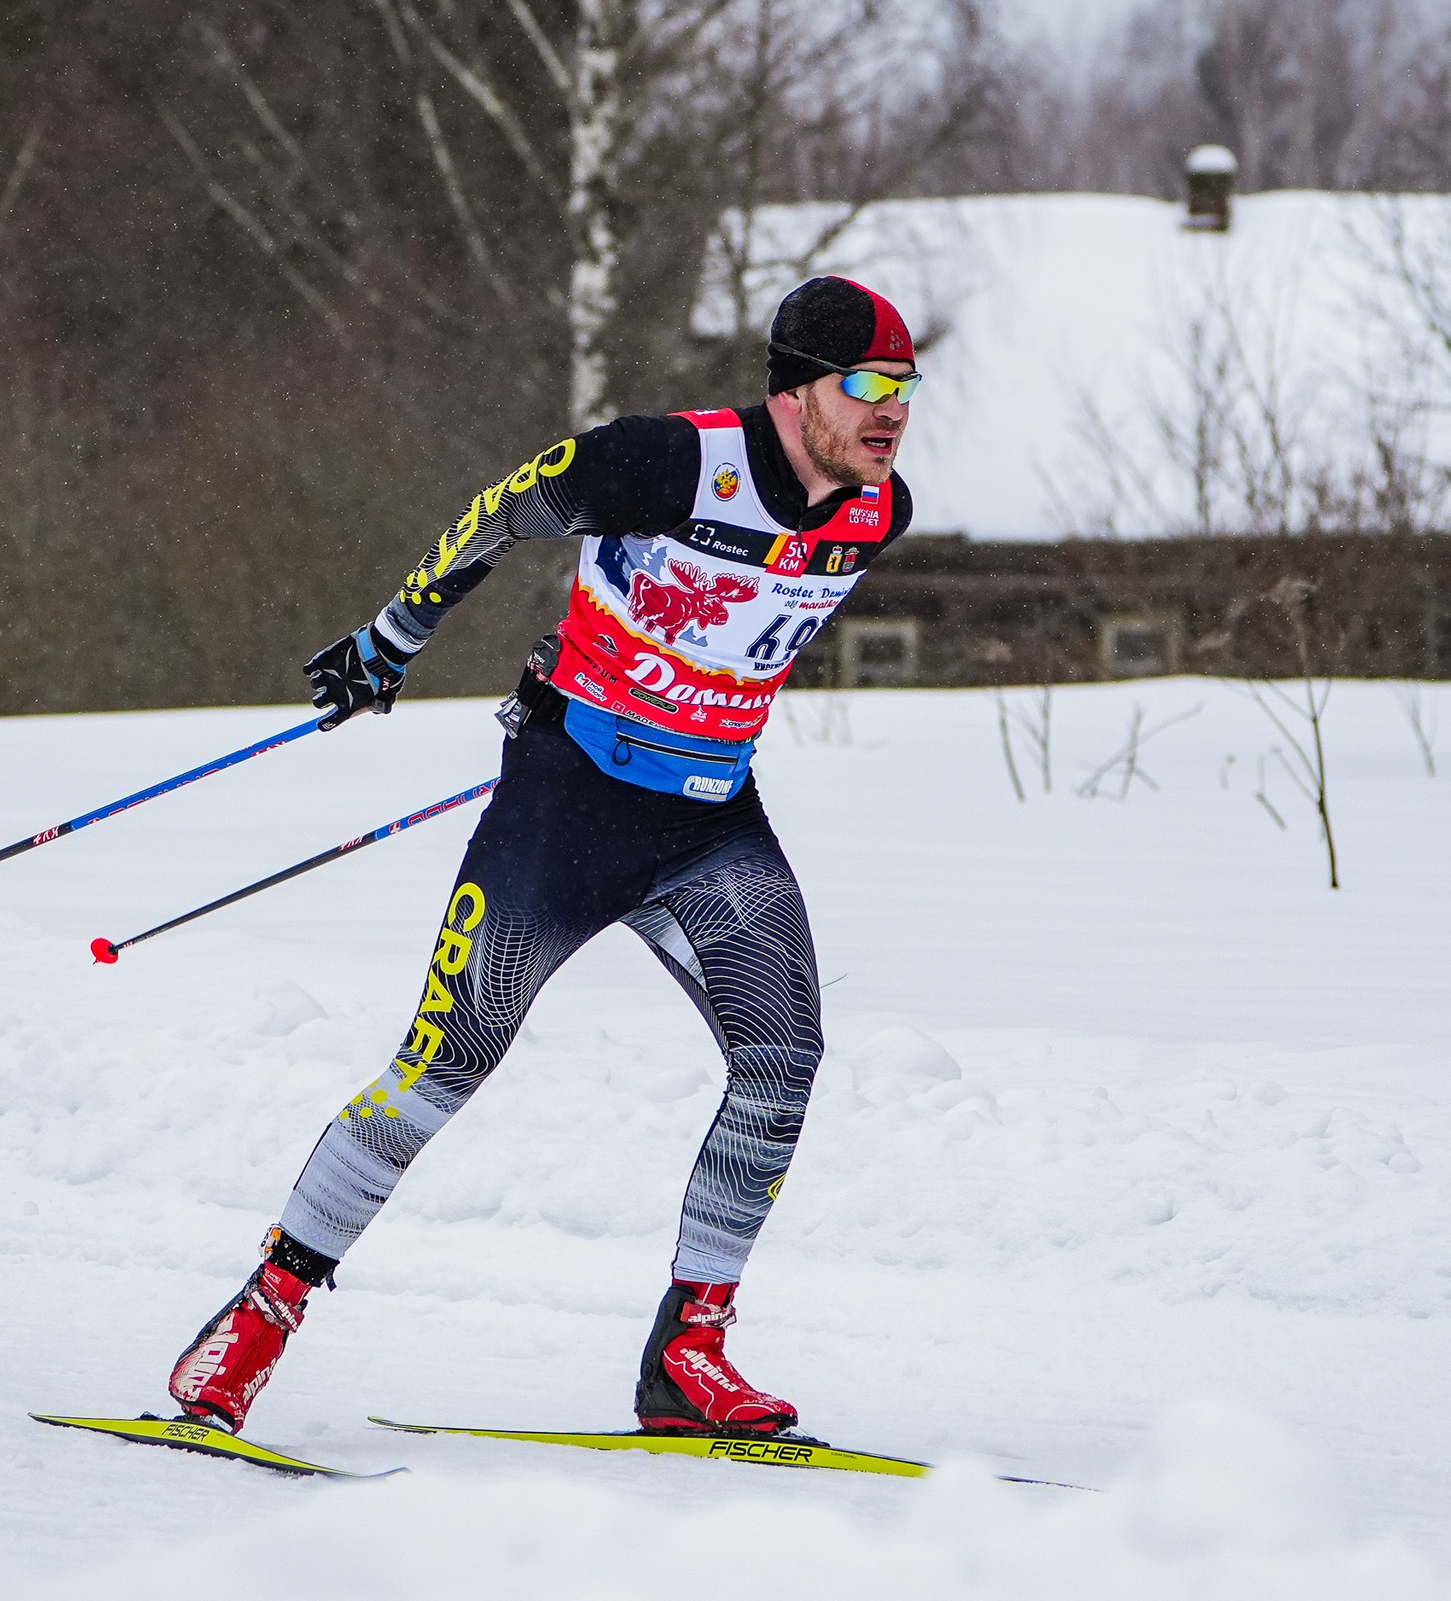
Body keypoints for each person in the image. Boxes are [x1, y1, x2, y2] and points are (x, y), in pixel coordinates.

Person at [165, 276, 922, 1438]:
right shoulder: (667, 461)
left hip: (708, 821)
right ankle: (262, 1315)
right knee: (446, 1062)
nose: (890, 410)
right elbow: (507, 507)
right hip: (568, 810)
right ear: (793, 390)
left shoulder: (879, 512)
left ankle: (688, 1356)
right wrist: (393, 637)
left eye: (905, 387)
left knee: (782, 1061)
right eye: (865, 384)